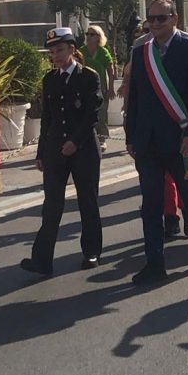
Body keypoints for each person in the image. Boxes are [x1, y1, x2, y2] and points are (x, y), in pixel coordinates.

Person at [125, 0, 188, 285]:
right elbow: (135, 99)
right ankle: (154, 263)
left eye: (161, 18)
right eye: (151, 19)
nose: (155, 24)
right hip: (149, 143)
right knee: (151, 204)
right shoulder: (142, 52)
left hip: (184, 140)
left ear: (174, 19)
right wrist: (130, 136)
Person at [21, 27, 103, 276]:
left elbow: (91, 113)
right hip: (55, 148)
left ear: (71, 50)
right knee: (52, 205)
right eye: (52, 51)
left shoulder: (88, 76)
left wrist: (75, 142)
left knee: (87, 202)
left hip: (84, 149)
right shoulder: (50, 79)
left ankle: (91, 252)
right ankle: (41, 260)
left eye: (59, 50)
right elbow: (48, 118)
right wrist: (40, 152)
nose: (55, 55)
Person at [82, 24, 116, 152]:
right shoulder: (82, 51)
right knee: (87, 113)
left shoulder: (103, 52)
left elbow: (110, 70)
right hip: (85, 88)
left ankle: (102, 140)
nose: (89, 37)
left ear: (98, 37)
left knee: (101, 114)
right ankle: (89, 138)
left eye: (92, 34)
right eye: (88, 34)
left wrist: (111, 88)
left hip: (101, 88)